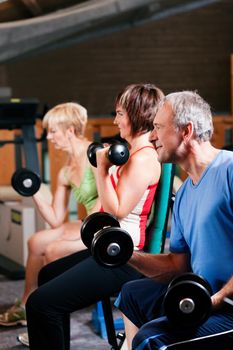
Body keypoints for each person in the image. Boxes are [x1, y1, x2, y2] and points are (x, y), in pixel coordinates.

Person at [23, 83, 163, 349]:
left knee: (40, 304)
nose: (115, 120)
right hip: (108, 248)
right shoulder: (132, 155)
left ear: (135, 114)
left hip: (125, 258)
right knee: (48, 275)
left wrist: (101, 170)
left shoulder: (143, 160)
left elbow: (115, 212)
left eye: (120, 114)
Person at [117, 90, 233, 350]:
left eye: (158, 127)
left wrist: (217, 297)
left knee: (151, 337)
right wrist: (126, 254)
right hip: (204, 296)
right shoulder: (182, 195)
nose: (153, 136)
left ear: (186, 131)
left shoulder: (230, 171)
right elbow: (177, 266)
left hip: (227, 306)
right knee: (132, 295)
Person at [0, 102, 100, 327]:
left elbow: (108, 204)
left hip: (106, 224)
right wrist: (32, 189)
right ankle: (27, 305)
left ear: (70, 131)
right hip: (89, 222)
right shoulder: (67, 167)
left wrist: (73, 237)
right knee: (36, 241)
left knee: (55, 250)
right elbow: (55, 218)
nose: (48, 138)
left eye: (53, 131)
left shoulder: (95, 155)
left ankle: (49, 315)